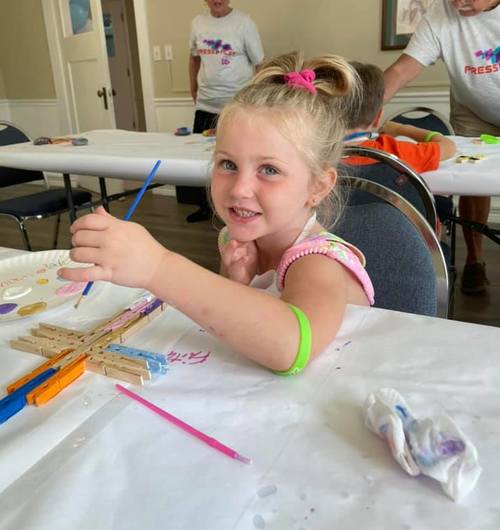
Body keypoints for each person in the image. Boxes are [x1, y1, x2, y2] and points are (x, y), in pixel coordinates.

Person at [59, 53, 373, 374]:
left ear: (318, 186)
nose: (240, 189)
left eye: (269, 169)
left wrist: (158, 267)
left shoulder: (319, 261)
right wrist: (236, 283)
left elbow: (291, 347)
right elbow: (232, 322)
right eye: (228, 164)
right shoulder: (237, 239)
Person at [383, 0, 500, 294]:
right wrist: (365, 107)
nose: (459, 3)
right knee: (472, 183)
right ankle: (473, 260)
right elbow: (403, 69)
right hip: (472, 107)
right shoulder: (443, 11)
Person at [180, 0, 264, 223]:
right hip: (206, 102)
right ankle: (206, 207)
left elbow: (260, 63)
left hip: (236, 105)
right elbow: (193, 58)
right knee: (201, 157)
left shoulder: (243, 23)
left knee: (236, 158)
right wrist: (193, 86)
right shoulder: (198, 23)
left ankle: (235, 206)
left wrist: (257, 99)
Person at [345, 61, 456, 170]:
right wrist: (401, 129)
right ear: (377, 118)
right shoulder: (392, 153)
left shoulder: (333, 155)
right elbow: (448, 147)